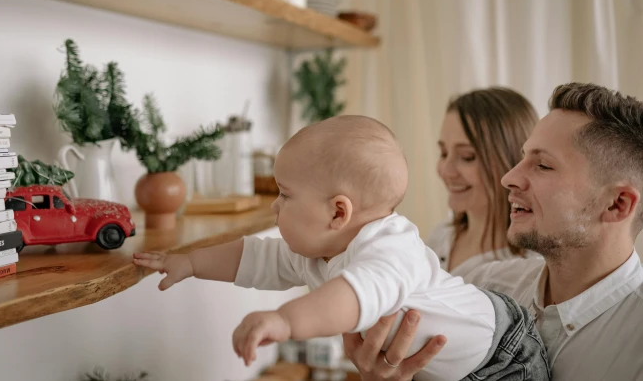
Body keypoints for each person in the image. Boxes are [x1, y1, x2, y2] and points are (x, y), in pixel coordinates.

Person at [134, 115, 550, 381]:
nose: (276, 206)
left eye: (285, 194)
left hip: (504, 356)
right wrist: (189, 262)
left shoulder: (390, 249)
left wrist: (283, 321)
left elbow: (350, 296)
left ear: (337, 213)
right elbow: (255, 256)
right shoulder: (319, 250)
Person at [343, 82, 643, 381]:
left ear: (617, 204)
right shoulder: (483, 285)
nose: (509, 178)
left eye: (543, 165)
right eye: (522, 158)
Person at [428, 87, 539, 276]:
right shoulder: (440, 237)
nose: (446, 171)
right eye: (444, 153)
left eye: (467, 156)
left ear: (513, 162)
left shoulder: (528, 268)